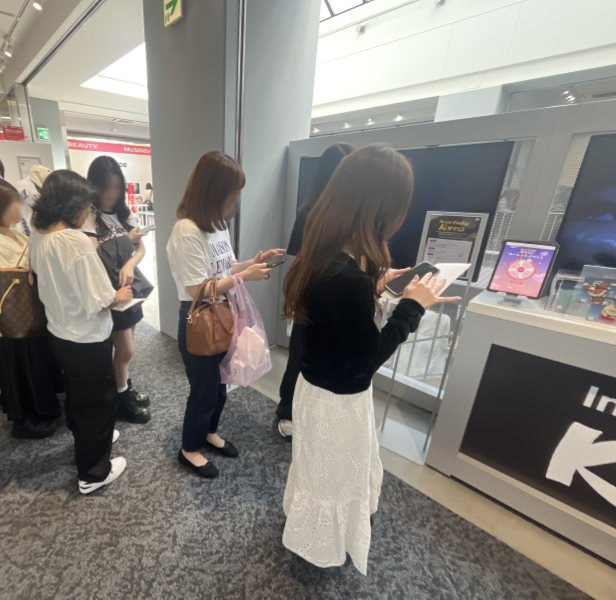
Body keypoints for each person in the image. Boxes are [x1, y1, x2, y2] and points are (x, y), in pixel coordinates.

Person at [281, 145, 460, 574]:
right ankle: (316, 550)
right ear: (382, 209)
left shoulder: (322, 256)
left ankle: (308, 537)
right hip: (340, 402)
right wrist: (411, 308)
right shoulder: (347, 279)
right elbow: (366, 359)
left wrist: (376, 286)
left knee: (317, 470)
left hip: (314, 390)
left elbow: (335, 319)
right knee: (335, 476)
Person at [167, 151, 284, 479]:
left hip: (222, 313)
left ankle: (209, 432)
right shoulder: (187, 231)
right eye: (232, 193)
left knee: (220, 384)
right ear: (213, 192)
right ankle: (189, 449)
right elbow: (197, 289)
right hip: (199, 319)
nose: (235, 200)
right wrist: (244, 277)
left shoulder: (217, 226)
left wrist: (251, 264)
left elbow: (225, 268)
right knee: (203, 389)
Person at [30, 170, 133, 494]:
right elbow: (100, 298)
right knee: (98, 401)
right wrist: (120, 296)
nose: (88, 212)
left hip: (60, 331)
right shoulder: (74, 241)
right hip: (86, 336)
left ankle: (89, 438)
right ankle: (93, 473)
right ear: (72, 205)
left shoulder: (39, 234)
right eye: (87, 207)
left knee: (79, 394)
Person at [277, 142, 355, 438]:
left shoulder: (356, 215)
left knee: (332, 358)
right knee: (300, 355)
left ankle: (318, 414)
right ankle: (287, 410)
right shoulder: (310, 212)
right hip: (313, 295)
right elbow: (297, 259)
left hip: (343, 296)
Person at [84, 156, 151, 424]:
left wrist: (130, 264)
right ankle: (121, 399)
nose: (111, 193)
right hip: (108, 292)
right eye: (105, 187)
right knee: (126, 349)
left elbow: (140, 248)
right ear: (94, 185)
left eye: (116, 186)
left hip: (129, 288)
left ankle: (123, 387)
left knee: (127, 347)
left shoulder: (123, 213)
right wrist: (126, 240)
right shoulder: (88, 217)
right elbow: (94, 256)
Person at [0, 180, 62, 438]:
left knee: (34, 358)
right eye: (10, 204)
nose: (18, 207)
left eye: (18, 200)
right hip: (10, 317)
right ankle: (23, 420)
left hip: (28, 310)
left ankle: (41, 408)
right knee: (18, 363)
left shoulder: (13, 232)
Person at [14, 164, 52, 236]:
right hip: (26, 224)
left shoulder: (47, 187)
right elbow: (16, 206)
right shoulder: (22, 185)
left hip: (42, 225)